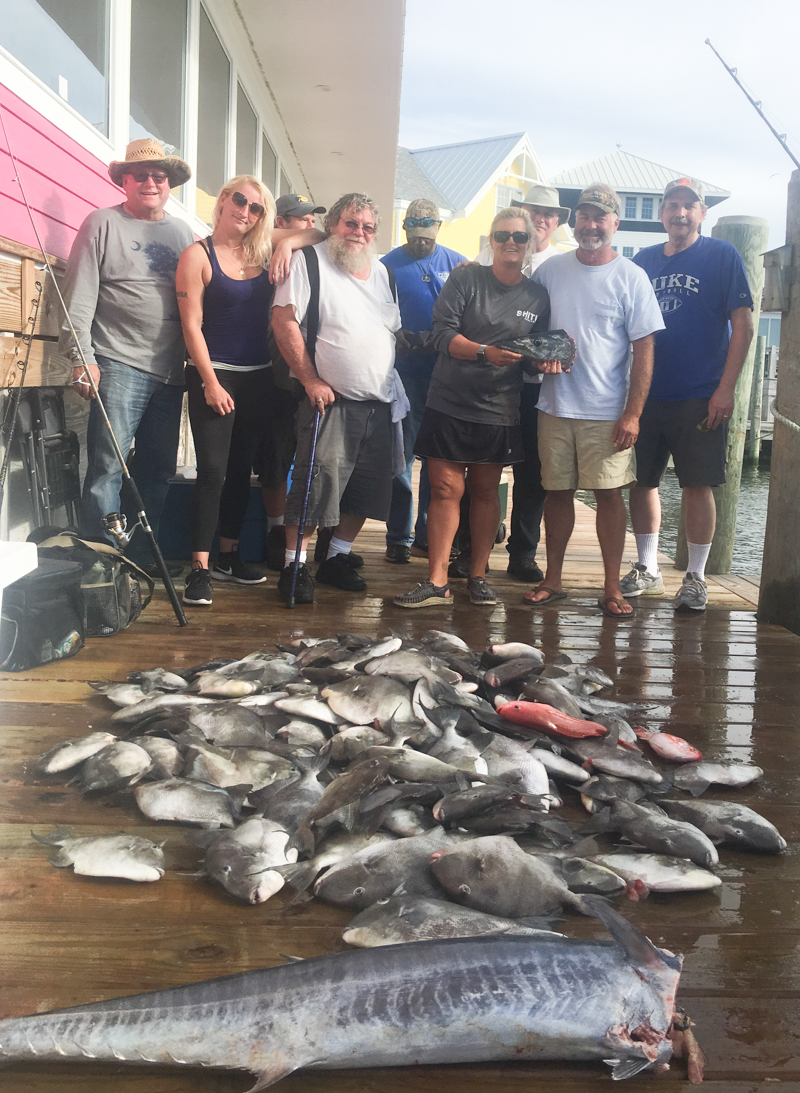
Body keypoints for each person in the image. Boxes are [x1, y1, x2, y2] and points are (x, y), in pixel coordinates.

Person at [176, 177, 323, 607]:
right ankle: (200, 569)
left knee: (242, 470)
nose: (246, 211)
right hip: (214, 375)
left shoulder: (261, 246)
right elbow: (190, 326)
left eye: (257, 208)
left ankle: (229, 555)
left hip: (257, 376)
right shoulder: (196, 254)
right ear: (223, 202)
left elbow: (318, 232)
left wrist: (285, 245)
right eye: (239, 201)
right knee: (213, 473)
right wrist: (210, 382)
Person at [394, 207, 551, 609]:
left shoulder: (537, 295)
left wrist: (547, 361)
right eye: (502, 236)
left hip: (500, 407)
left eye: (518, 237)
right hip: (449, 400)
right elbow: (443, 334)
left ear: (530, 243)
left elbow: (537, 351)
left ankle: (478, 576)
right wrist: (484, 352)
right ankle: (437, 580)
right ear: (490, 242)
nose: (510, 243)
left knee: (485, 493)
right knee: (445, 488)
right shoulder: (466, 278)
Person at [526, 183, 664, 618]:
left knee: (609, 497)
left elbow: (644, 349)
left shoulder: (632, 277)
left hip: (607, 413)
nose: (590, 225)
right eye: (584, 216)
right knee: (557, 493)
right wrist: (539, 361)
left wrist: (633, 413)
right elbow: (534, 333)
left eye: (599, 217)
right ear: (576, 221)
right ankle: (552, 579)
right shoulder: (550, 271)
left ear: (614, 224)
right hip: (553, 406)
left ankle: (610, 588)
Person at [62, 138, 195, 577]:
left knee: (157, 470)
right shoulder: (101, 222)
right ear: (124, 180)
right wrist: (83, 359)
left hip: (172, 371)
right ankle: (101, 565)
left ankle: (139, 559)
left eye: (160, 176)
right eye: (141, 175)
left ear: (170, 183)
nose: (151, 182)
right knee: (106, 467)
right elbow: (78, 296)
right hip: (117, 363)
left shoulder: (180, 233)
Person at [624, 177, 754, 612]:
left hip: (701, 394)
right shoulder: (641, 260)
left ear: (702, 213)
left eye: (689, 206)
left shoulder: (722, 255)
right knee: (642, 481)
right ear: (661, 213)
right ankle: (647, 568)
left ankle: (695, 576)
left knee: (699, 484)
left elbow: (744, 325)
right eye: (672, 205)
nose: (679, 213)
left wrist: (725, 389)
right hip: (646, 394)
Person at [270, 192, 403, 605]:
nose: (358, 233)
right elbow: (284, 321)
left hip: (380, 400)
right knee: (315, 485)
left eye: (367, 227)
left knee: (366, 487)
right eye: (350, 223)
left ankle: (337, 557)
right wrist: (309, 379)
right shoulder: (310, 261)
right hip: (330, 401)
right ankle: (295, 565)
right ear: (332, 226)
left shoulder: (383, 273)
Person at [475, 184, 572, 582]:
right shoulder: (489, 254)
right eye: (535, 211)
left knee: (533, 473)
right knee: (482, 469)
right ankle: (471, 550)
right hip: (491, 384)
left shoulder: (561, 265)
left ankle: (523, 553)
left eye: (550, 214)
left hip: (536, 386)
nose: (541, 219)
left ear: (555, 222)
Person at [380, 198, 467, 564]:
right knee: (402, 455)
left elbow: (469, 315)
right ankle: (399, 535)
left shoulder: (458, 263)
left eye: (426, 238)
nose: (420, 243)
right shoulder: (386, 265)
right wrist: (396, 333)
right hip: (402, 372)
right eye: (414, 236)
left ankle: (430, 532)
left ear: (438, 231)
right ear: (405, 230)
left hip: (445, 373)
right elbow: (374, 312)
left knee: (439, 456)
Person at [254, 193, 327, 571]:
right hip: (270, 372)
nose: (310, 223)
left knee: (317, 461)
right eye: (302, 219)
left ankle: (323, 548)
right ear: (279, 220)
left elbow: (324, 235)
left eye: (312, 217)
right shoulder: (258, 245)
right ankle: (274, 530)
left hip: (309, 374)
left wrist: (294, 240)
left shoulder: (305, 247)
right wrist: (284, 241)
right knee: (274, 458)